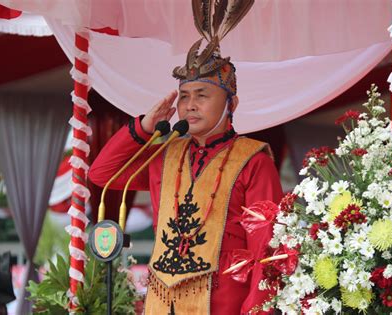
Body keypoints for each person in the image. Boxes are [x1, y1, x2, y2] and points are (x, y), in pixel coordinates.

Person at [89, 1, 283, 313]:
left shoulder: (253, 161)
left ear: (230, 103)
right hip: (162, 302)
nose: (190, 105)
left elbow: (267, 247)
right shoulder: (166, 156)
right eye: (184, 96)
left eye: (202, 95)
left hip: (225, 305)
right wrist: (142, 127)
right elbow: (102, 174)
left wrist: (257, 309)